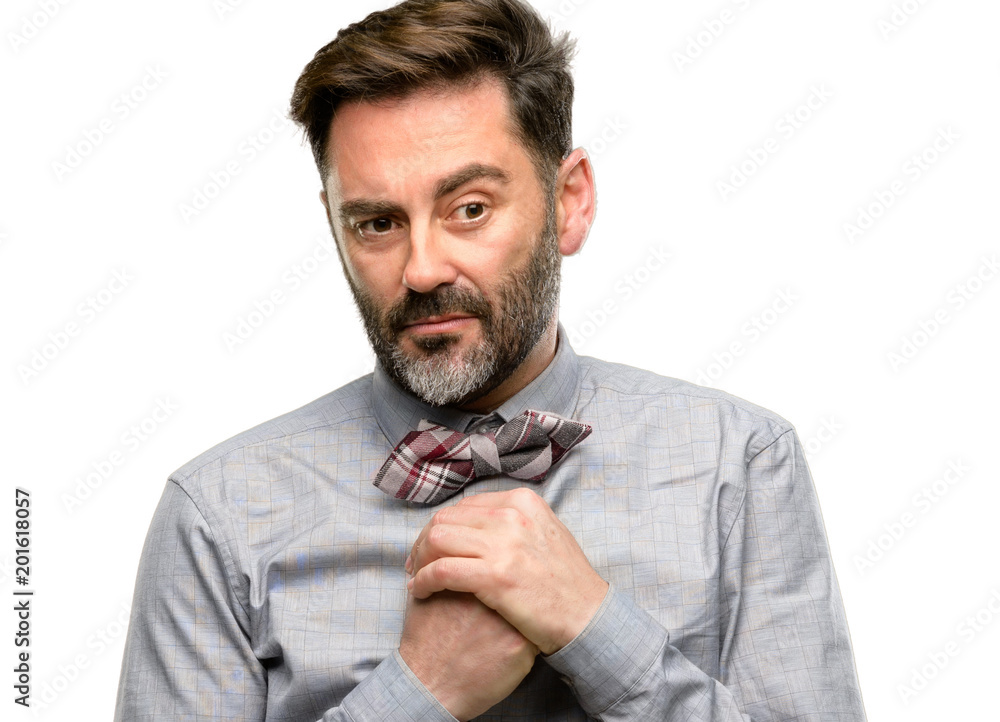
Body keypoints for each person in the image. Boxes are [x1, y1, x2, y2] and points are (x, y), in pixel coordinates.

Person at [114, 0, 867, 719]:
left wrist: (594, 627)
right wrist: (418, 694)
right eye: (377, 222)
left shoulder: (740, 466)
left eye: (469, 208)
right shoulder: (219, 517)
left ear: (569, 200)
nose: (422, 269)